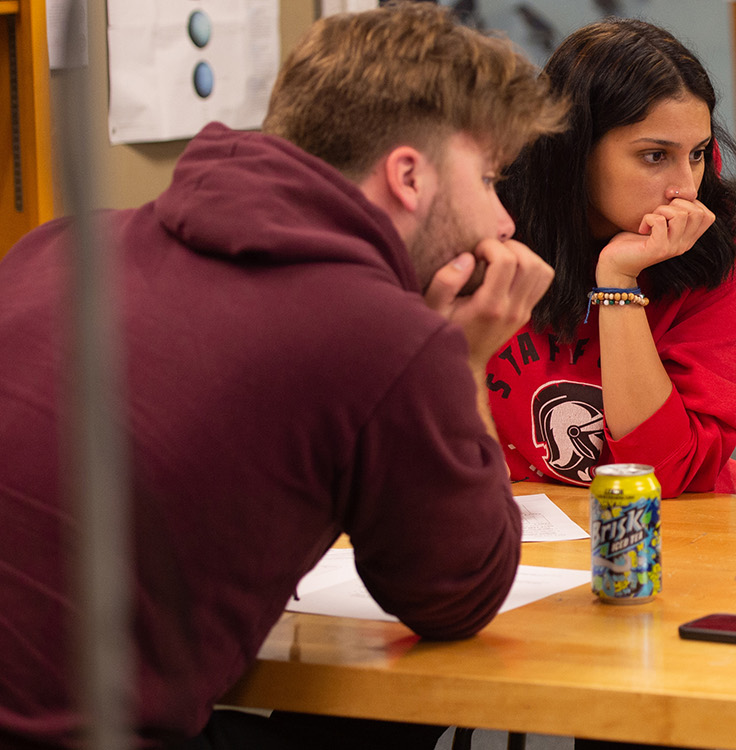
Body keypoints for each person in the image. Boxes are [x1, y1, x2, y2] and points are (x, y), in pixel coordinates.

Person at [0, 4, 566, 748]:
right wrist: (463, 361)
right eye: (490, 178)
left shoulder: (62, 244)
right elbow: (459, 595)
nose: (505, 223)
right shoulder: (383, 338)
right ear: (408, 176)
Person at [487, 18, 736, 498]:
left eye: (698, 153)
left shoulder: (729, 246)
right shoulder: (490, 219)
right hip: (521, 521)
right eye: (655, 156)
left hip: (675, 525)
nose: (685, 188)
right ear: (574, 148)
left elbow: (664, 472)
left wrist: (619, 281)